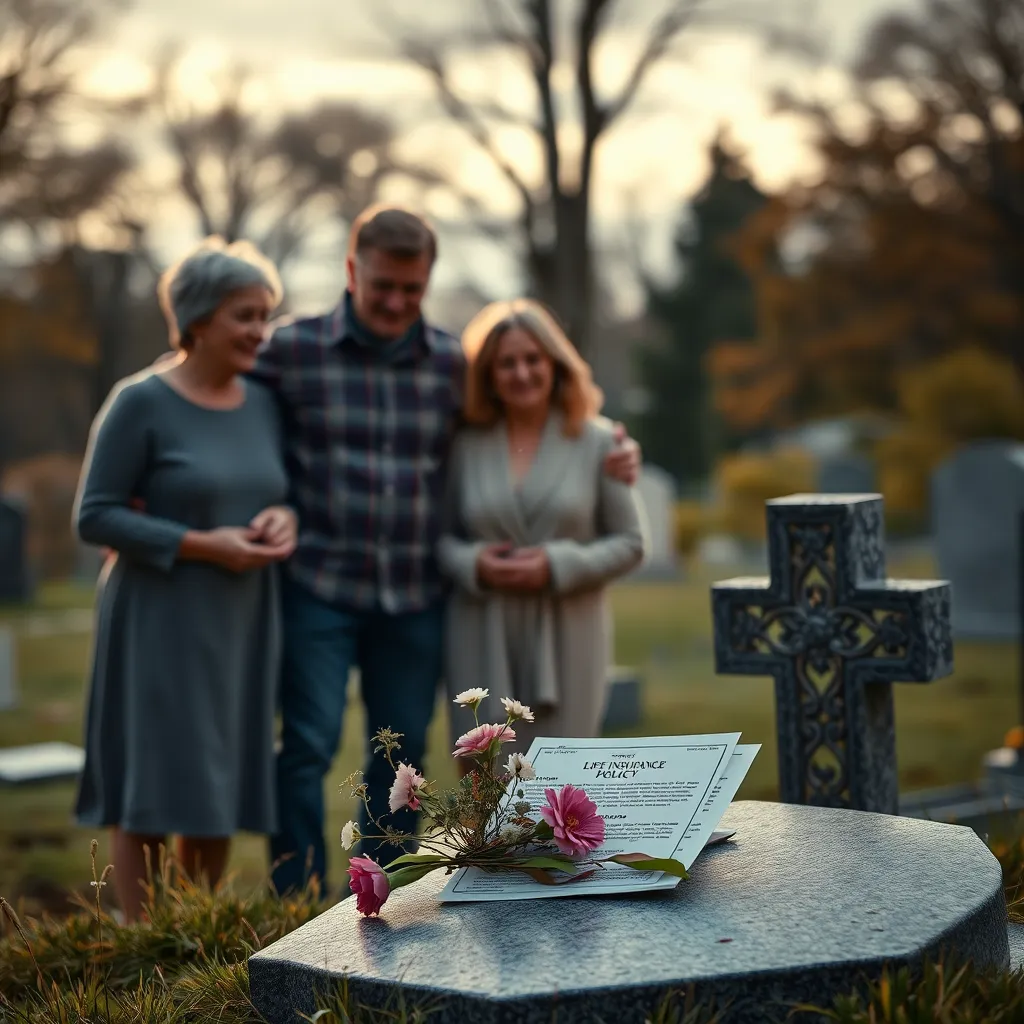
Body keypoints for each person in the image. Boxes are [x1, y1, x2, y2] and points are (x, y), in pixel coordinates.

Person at [249, 205, 641, 895]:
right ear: (352, 272)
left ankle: (382, 893)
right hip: (321, 586)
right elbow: (211, 377)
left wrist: (619, 451)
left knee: (399, 764)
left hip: (412, 598)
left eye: (412, 288)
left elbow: (544, 429)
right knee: (305, 748)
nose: (398, 302)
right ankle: (298, 902)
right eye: (383, 287)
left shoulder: (446, 365)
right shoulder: (293, 349)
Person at [73, 238, 297, 922]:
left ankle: (192, 931)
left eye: (266, 314)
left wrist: (283, 518)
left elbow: (272, 490)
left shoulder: (263, 402)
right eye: (244, 315)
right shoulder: (137, 402)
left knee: (217, 777)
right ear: (197, 318)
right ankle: (143, 940)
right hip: (157, 618)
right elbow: (95, 516)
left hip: (242, 619)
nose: (260, 331)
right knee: (152, 775)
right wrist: (203, 545)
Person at [439, 299, 646, 750]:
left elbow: (632, 543)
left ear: (555, 363)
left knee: (563, 794)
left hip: (569, 631)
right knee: (483, 794)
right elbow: (438, 538)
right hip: (479, 629)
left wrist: (557, 564)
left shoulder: (598, 440)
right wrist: (475, 564)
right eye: (506, 363)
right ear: (488, 374)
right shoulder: (464, 444)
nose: (521, 373)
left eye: (532, 359)